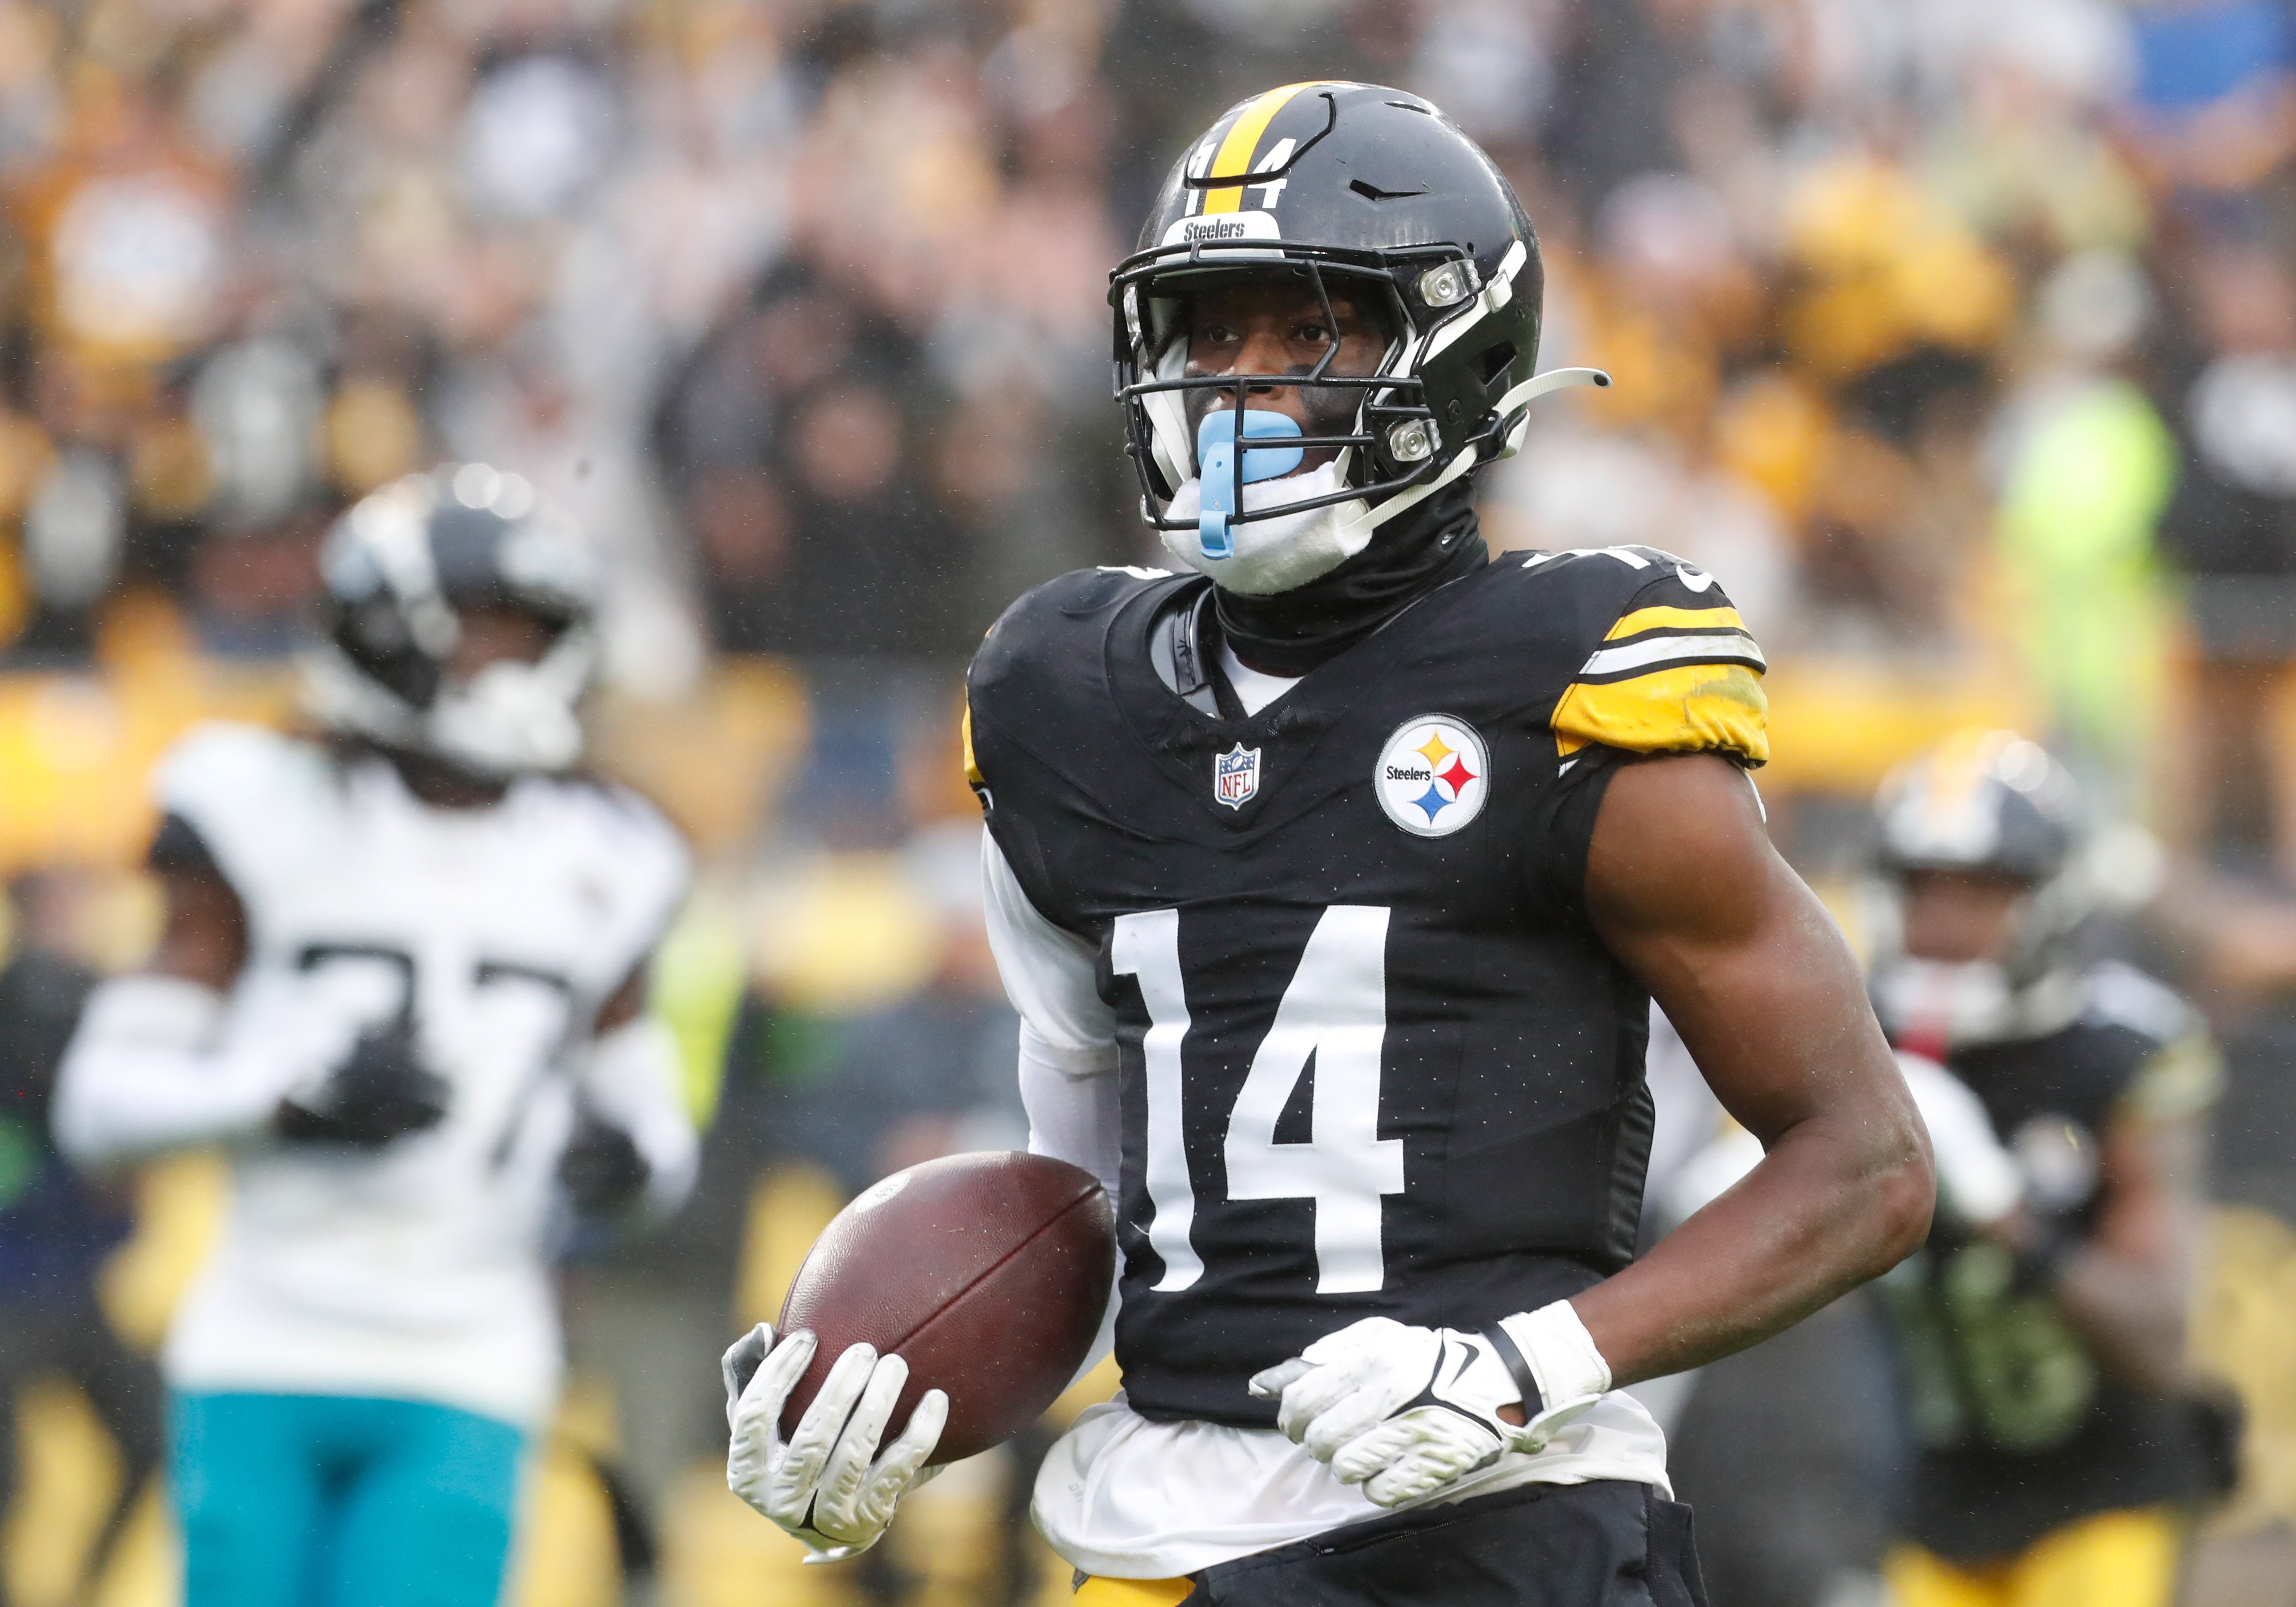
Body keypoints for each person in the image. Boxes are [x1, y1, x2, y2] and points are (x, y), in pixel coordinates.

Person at [722, 82, 1934, 1606]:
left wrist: (1527, 1365)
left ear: (1458, 353)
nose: (1241, 388)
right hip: (1159, 1530)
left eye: (1308, 334)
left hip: (1501, 1521)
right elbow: (1081, 1189)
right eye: (1207, 336)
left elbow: (1864, 1165)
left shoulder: (1569, 677)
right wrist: (881, 1396)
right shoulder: (1062, 697)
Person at [52, 465, 699, 1607]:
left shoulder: (610, 853)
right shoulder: (258, 804)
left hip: (468, 1349)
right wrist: (282, 1099)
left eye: (529, 632)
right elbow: (100, 1107)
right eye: (483, 629)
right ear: (386, 635)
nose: (511, 663)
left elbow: (649, 1120)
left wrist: (633, 1162)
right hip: (264, 1335)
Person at [1865, 730, 2226, 1607]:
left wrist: (1997, 1204)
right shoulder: (1862, 1038)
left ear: (2052, 897)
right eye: (1921, 888)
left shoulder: (2122, 1050)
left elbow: (2160, 1340)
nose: (1942, 924)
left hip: (2103, 1493)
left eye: (1981, 892)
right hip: (1938, 1497)